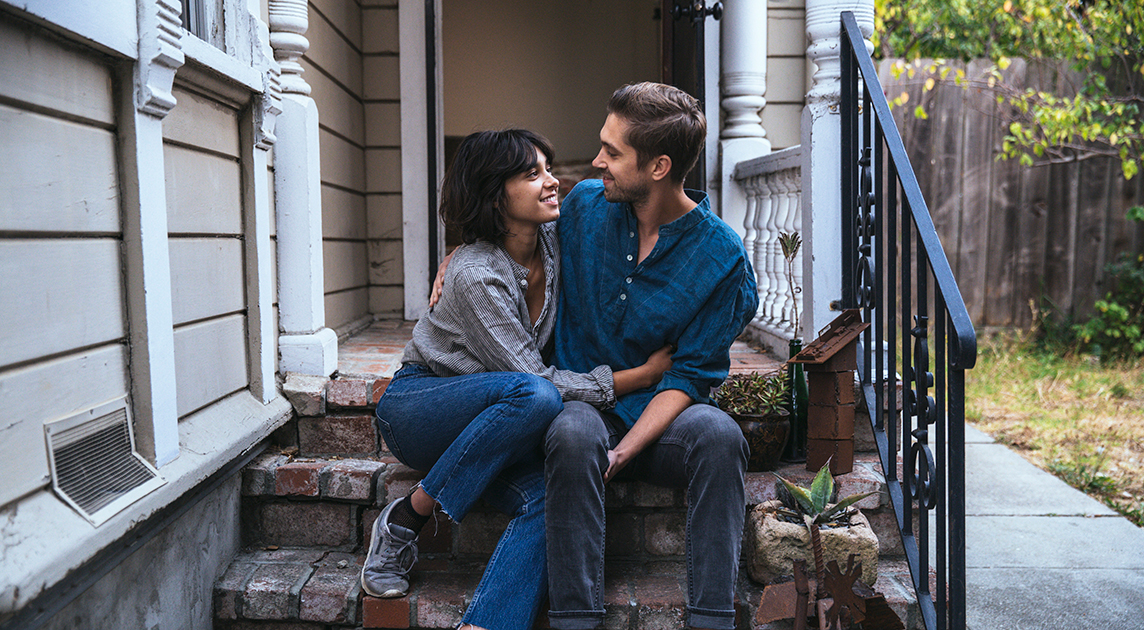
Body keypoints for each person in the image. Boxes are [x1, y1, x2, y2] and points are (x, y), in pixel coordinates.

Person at [363, 128, 673, 630]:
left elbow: (643, 207)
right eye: (533, 174)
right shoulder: (476, 275)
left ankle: (484, 624)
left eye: (548, 168)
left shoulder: (553, 235)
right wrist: (638, 377)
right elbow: (532, 379)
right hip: (422, 406)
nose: (552, 182)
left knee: (552, 497)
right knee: (537, 393)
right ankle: (408, 517)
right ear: (494, 192)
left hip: (500, 423)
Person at [543, 83, 759, 630]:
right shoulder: (585, 206)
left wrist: (625, 451)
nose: (597, 162)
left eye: (613, 153)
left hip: (661, 416)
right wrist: (457, 255)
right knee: (571, 435)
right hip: (585, 401)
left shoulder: (721, 256)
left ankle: (712, 619)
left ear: (659, 166)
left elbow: (689, 375)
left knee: (719, 436)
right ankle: (575, 620)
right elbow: (510, 235)